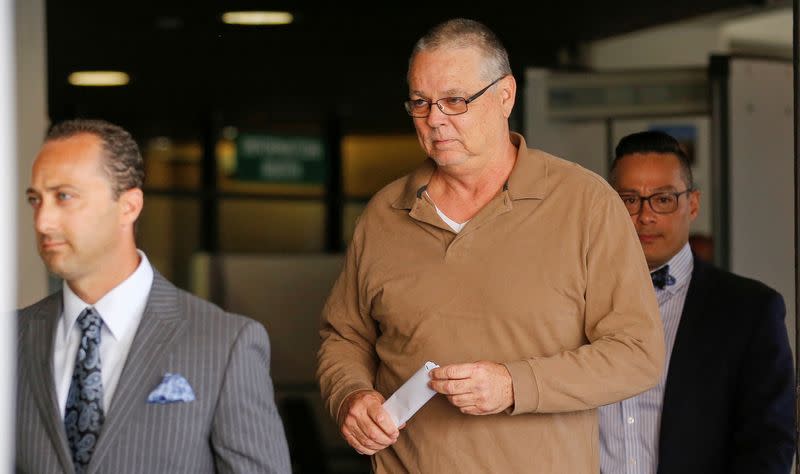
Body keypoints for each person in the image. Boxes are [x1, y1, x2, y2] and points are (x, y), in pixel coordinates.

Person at [316, 18, 665, 473]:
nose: (434, 119)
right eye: (420, 103)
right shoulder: (385, 214)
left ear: (505, 96)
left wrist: (514, 385)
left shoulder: (585, 203)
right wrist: (351, 395)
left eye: (455, 101)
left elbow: (637, 354)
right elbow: (344, 337)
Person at [16, 119, 291, 474]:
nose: (43, 222)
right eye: (35, 200)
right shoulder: (13, 340)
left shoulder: (225, 344)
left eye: (64, 197)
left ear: (129, 206)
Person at [599, 130, 795, 474]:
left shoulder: (751, 310)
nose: (645, 216)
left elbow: (769, 441)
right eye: (629, 199)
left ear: (692, 204)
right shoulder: (575, 300)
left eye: (663, 199)